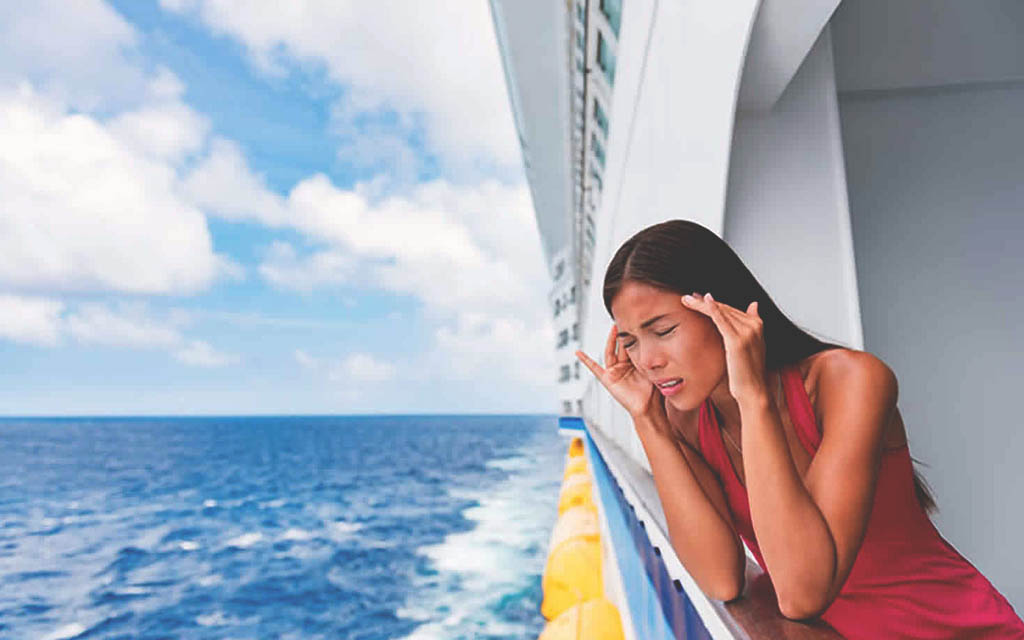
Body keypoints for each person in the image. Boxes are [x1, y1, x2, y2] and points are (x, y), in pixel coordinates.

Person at [574, 219, 1024, 639]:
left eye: (664, 330)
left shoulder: (849, 381)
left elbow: (801, 593)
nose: (648, 361)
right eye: (630, 341)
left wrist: (753, 398)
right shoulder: (685, 421)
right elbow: (721, 577)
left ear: (723, 311)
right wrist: (649, 422)